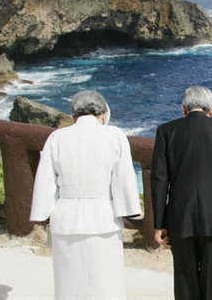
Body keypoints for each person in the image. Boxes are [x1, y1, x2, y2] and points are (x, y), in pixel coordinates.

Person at [30, 90, 141, 300]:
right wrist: (129, 209)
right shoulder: (114, 135)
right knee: (106, 283)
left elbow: (45, 181)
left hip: (66, 218)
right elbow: (123, 178)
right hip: (103, 219)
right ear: (101, 114)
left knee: (68, 283)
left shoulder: (57, 137)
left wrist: (42, 212)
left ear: (74, 116)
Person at [150, 85, 212, 300]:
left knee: (184, 280)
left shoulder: (166, 131)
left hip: (180, 218)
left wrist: (159, 224)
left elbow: (159, 180)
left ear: (183, 109)